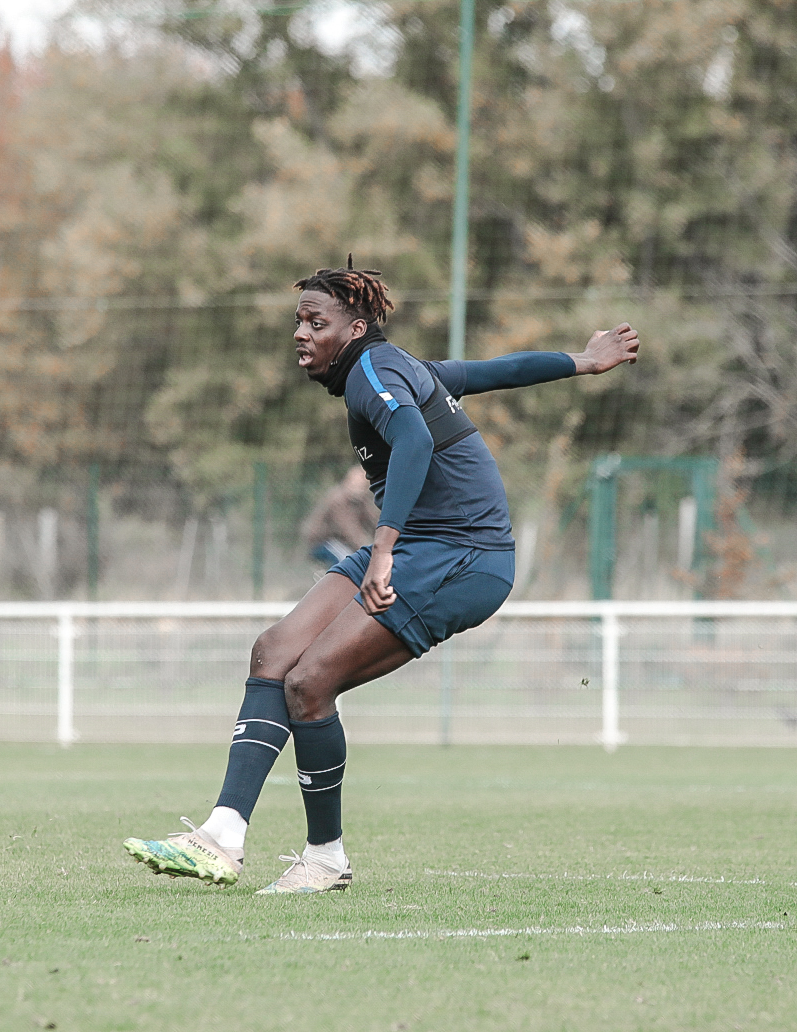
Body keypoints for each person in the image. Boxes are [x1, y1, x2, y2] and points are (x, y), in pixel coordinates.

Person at [123, 260, 639, 893]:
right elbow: (490, 371)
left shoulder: (373, 370)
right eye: (299, 321)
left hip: (464, 555)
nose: (302, 334)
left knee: (311, 682)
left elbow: (416, 442)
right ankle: (222, 833)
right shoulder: (389, 366)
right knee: (275, 652)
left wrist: (386, 549)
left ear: (355, 327)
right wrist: (580, 362)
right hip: (421, 544)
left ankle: (324, 859)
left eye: (317, 322)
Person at [301, 466, 380, 570]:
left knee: (359, 559)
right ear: (348, 481)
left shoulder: (361, 500)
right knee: (348, 562)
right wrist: (370, 551)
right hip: (323, 541)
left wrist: (387, 540)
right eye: (356, 483)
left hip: (341, 541)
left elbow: (374, 522)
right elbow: (349, 531)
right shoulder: (338, 499)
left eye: (363, 484)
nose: (359, 487)